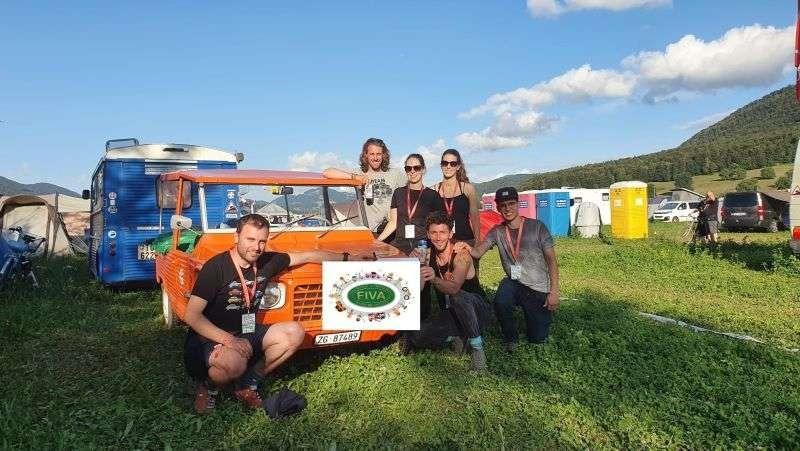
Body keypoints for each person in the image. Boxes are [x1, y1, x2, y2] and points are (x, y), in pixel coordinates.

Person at [184, 213, 357, 414]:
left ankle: (247, 384)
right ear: (236, 237)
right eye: (250, 239)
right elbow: (192, 316)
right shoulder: (216, 267)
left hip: (247, 330)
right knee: (233, 363)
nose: (256, 247)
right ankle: (209, 388)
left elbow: (308, 255)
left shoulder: (267, 261)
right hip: (213, 337)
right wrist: (229, 340)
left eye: (262, 241)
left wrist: (349, 258)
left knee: (294, 333)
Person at [459, 187, 560, 352]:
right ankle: (510, 338)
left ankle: (537, 324)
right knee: (501, 300)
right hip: (514, 282)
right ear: (498, 208)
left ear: (518, 204)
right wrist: (465, 246)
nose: (507, 208)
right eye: (503, 205)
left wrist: (554, 292)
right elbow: (477, 252)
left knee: (537, 339)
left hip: (538, 287)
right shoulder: (497, 231)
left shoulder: (537, 227)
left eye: (511, 203)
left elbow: (552, 261)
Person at [413, 211, 492, 372]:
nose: (438, 237)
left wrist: (434, 278)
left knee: (457, 296)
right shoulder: (427, 254)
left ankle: (477, 348)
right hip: (452, 313)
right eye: (434, 233)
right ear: (428, 234)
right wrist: (415, 264)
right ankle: (458, 335)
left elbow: (454, 288)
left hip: (477, 311)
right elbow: (419, 288)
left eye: (443, 232)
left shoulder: (461, 254)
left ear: (451, 233)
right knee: (417, 336)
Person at [323, 138, 406, 238]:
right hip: (370, 231)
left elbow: (412, 190)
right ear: (365, 155)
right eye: (372, 154)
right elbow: (327, 172)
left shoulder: (395, 174)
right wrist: (356, 178)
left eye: (378, 154)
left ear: (384, 155)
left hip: (392, 229)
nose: (375, 158)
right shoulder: (359, 172)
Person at [376, 153, 443, 255]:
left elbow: (436, 226)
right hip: (399, 244)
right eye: (408, 168)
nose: (412, 171)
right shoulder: (398, 193)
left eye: (416, 168)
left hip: (422, 245)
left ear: (423, 170)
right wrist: (377, 241)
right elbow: (393, 222)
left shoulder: (432, 195)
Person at [433, 149, 480, 247]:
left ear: (458, 166)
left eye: (453, 163)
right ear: (441, 165)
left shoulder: (467, 188)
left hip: (465, 242)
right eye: (445, 163)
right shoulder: (434, 190)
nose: (448, 166)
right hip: (442, 244)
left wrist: (478, 241)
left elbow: (475, 218)